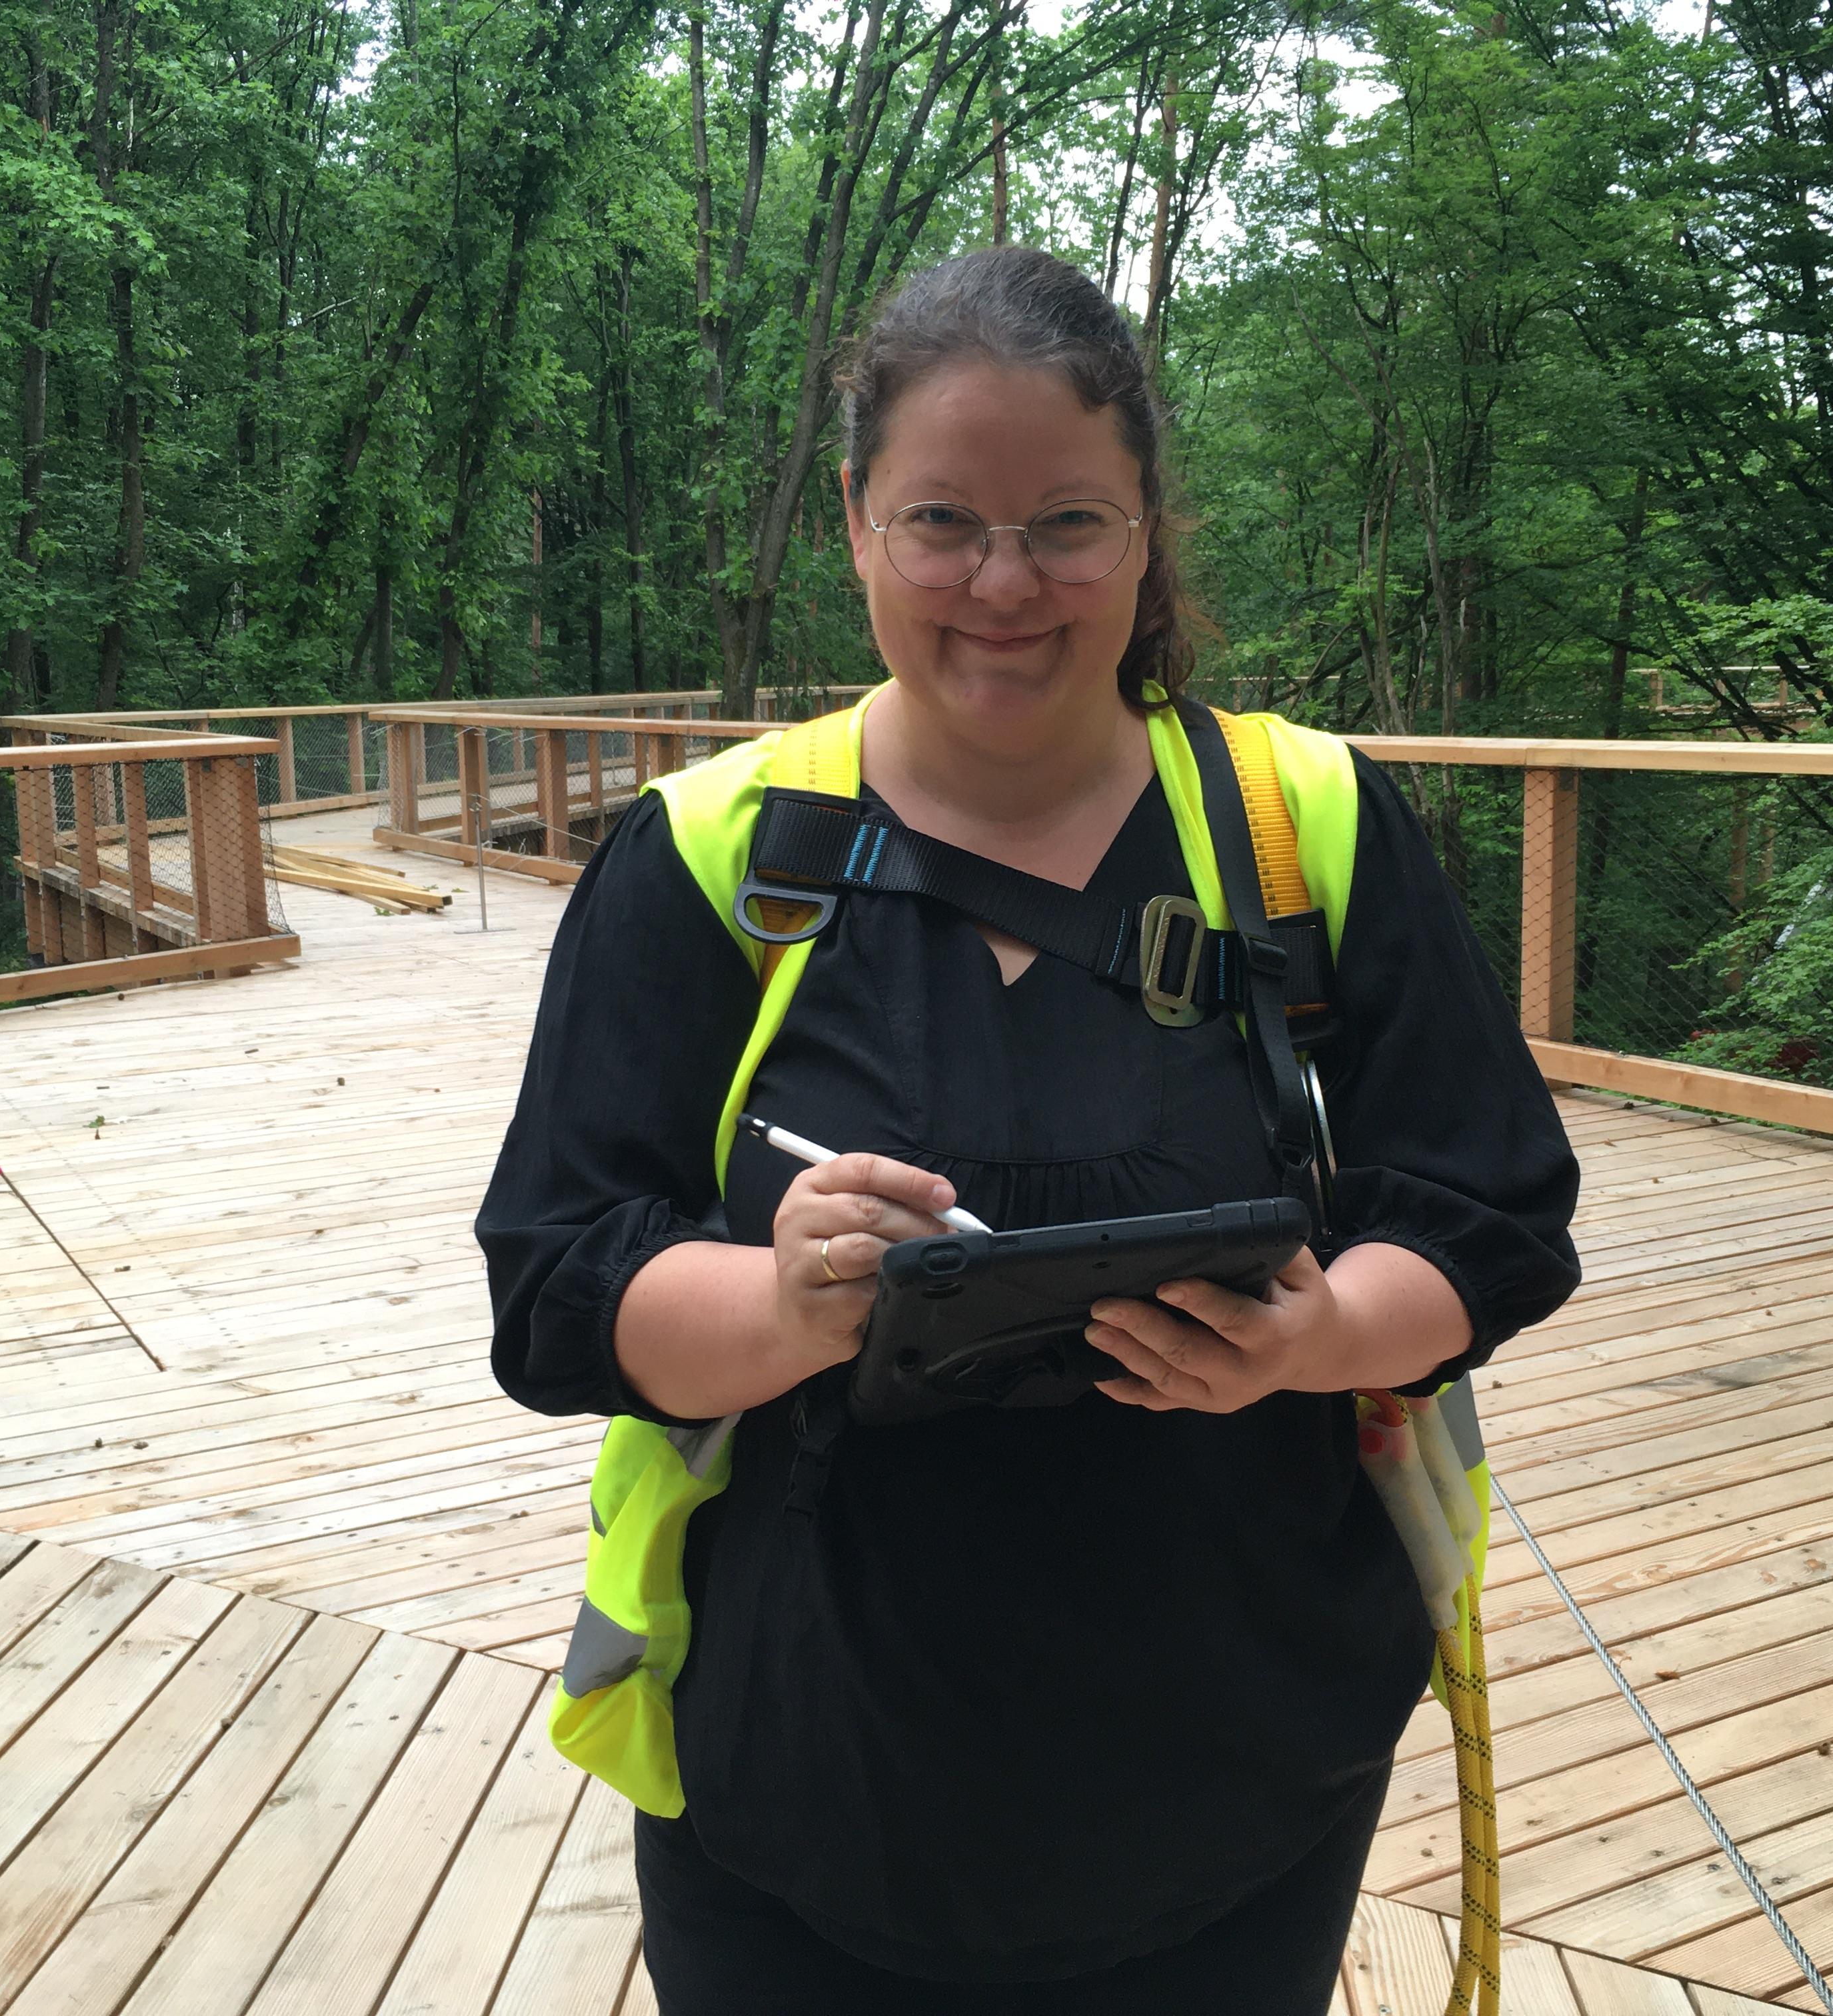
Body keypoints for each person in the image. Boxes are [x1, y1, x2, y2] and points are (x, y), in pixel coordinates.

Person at [477, 245, 1580, 2015]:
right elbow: (552, 1286)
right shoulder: (707, 857)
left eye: (1067, 523)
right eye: (943, 523)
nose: (1005, 583)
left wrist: (1319, 1338)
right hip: (805, 1792)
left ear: (1146, 529)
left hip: (1238, 1786)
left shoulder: (1306, 826)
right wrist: (783, 1303)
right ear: (856, 522)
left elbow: (1495, 1209)